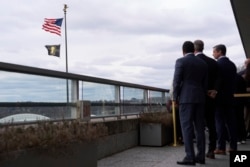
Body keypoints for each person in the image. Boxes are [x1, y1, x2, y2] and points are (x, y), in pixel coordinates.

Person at [173, 41, 208, 165]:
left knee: (187, 127)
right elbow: (205, 83)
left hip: (186, 98)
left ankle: (189, 157)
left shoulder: (181, 61)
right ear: (193, 50)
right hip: (200, 98)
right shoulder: (202, 63)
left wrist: (174, 97)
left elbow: (176, 81)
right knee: (200, 128)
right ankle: (201, 156)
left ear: (183, 51)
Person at [194, 40, 218, 159]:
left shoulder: (194, 62)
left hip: (197, 97)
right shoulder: (213, 62)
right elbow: (219, 78)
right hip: (211, 97)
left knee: (199, 126)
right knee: (211, 124)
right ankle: (211, 150)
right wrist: (214, 90)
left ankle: (200, 152)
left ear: (194, 49)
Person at [212, 44, 238, 154]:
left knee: (220, 123)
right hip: (230, 97)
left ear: (220, 52)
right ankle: (233, 146)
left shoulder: (217, 65)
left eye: (214, 52)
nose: (213, 54)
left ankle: (221, 147)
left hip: (219, 99)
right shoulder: (232, 65)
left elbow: (217, 81)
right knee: (231, 122)